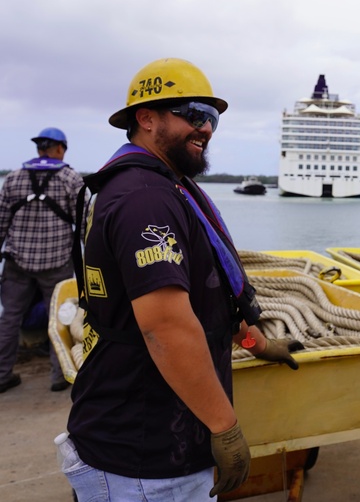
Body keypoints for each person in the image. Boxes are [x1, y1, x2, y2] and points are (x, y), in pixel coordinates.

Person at [60, 58, 302, 500]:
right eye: (193, 114)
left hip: (151, 441)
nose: (206, 128)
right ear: (146, 118)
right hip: (143, 454)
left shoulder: (163, 188)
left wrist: (259, 344)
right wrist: (225, 428)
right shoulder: (146, 200)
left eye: (211, 119)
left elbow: (208, 303)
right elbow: (166, 326)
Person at [0, 127, 84, 393]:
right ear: (60, 148)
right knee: (58, 319)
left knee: (9, 318)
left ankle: (2, 375)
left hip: (16, 262)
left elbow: (1, 223)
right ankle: (59, 377)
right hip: (57, 263)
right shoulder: (71, 179)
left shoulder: (13, 178)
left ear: (39, 149)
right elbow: (83, 225)